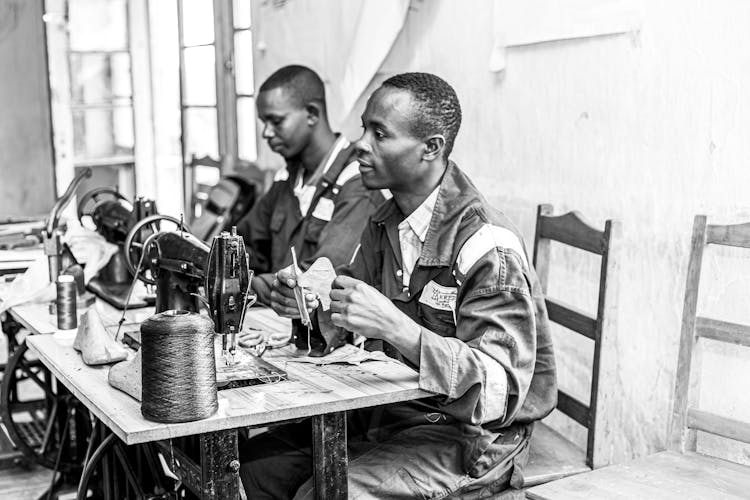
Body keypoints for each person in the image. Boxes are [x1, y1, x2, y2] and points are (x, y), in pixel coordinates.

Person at [240, 72, 557, 499]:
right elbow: (348, 320)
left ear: (431, 148)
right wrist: (306, 307)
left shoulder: (486, 246)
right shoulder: (386, 223)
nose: (360, 145)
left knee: (328, 493)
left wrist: (397, 328)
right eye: (363, 129)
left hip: (471, 439)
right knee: (255, 470)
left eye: (380, 134)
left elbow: (500, 394)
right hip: (395, 412)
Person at [235, 64, 383, 307]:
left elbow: (316, 282)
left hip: (325, 335)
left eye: (276, 121)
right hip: (277, 322)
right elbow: (244, 244)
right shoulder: (288, 179)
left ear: (312, 113)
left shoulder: (357, 182)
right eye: (264, 122)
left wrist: (241, 284)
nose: (266, 133)